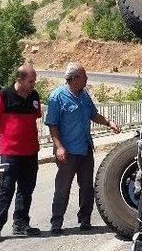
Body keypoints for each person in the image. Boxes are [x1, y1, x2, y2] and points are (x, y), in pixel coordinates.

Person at [45, 62, 121, 234]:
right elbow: (52, 124)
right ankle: (56, 222)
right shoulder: (57, 97)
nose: (87, 79)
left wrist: (109, 122)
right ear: (75, 78)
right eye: (84, 76)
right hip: (67, 151)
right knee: (62, 187)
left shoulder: (84, 95)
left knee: (87, 187)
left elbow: (93, 114)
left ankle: (84, 219)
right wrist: (58, 147)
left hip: (85, 148)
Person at [0, 63, 42, 242]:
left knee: (26, 190)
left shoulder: (34, 96)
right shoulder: (2, 96)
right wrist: (4, 134)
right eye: (31, 81)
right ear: (19, 80)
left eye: (34, 80)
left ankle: (20, 224)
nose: (33, 84)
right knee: (5, 189)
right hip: (10, 153)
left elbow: (35, 118)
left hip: (31, 152)